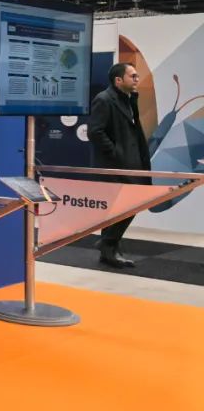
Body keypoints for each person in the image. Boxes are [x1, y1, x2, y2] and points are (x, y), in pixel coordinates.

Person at [87, 63, 151, 268]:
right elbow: (95, 131)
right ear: (118, 80)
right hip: (116, 165)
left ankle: (109, 249)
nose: (137, 79)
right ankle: (108, 245)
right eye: (132, 76)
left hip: (133, 163)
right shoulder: (104, 99)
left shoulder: (129, 99)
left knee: (122, 208)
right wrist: (115, 153)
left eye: (137, 76)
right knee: (125, 207)